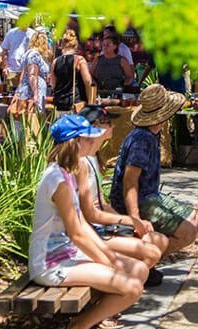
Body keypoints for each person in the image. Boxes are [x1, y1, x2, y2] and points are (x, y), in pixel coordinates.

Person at [28, 115, 150, 329]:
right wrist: (107, 261)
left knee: (138, 269)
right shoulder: (58, 180)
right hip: (51, 264)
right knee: (132, 287)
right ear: (76, 142)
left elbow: (83, 225)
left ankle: (90, 319)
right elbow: (76, 232)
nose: (94, 139)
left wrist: (108, 255)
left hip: (68, 254)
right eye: (88, 136)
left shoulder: (69, 173)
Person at [69, 110, 167, 286]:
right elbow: (89, 213)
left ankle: (130, 281)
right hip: (93, 231)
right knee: (151, 251)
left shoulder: (93, 158)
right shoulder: (82, 163)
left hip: (100, 226)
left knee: (159, 240)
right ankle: (122, 284)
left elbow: (102, 203)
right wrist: (129, 221)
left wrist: (125, 222)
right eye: (107, 123)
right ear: (94, 128)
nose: (113, 126)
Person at [110, 85, 198, 254]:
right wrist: (135, 218)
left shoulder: (152, 134)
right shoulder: (142, 139)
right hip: (140, 199)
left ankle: (150, 251)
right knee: (188, 233)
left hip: (150, 195)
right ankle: (144, 257)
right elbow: (129, 181)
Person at [52, 30, 93, 113]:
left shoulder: (55, 61)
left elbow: (53, 85)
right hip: (75, 103)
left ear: (62, 45)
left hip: (59, 102)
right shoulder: (79, 60)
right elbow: (88, 81)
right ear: (76, 45)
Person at [15, 30, 53, 116]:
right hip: (33, 90)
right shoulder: (34, 55)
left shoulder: (28, 53)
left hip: (27, 89)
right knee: (34, 116)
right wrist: (36, 94)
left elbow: (23, 73)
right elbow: (32, 75)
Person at [1, 21, 35, 89]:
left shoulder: (33, 33)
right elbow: (4, 50)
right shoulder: (11, 33)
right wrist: (5, 66)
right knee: (11, 91)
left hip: (27, 70)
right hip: (12, 69)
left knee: (25, 93)